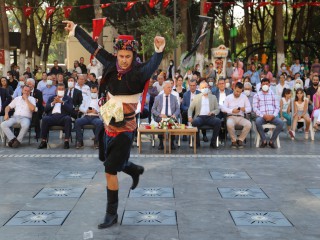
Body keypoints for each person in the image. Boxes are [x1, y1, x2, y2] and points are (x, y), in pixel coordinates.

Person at [63, 20, 165, 229]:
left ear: (133, 56)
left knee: (110, 169)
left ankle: (111, 214)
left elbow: (154, 63)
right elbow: (92, 46)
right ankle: (132, 169)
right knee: (106, 159)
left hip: (125, 129)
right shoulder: (110, 63)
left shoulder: (139, 71)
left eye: (128, 57)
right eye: (121, 56)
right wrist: (75, 30)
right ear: (117, 54)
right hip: (108, 122)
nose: (125, 60)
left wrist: (158, 49)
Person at [38, 84, 74, 149]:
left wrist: (62, 102)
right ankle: (43, 141)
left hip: (63, 116)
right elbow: (45, 109)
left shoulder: (68, 98)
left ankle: (66, 141)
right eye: (59, 89)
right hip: (52, 116)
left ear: (65, 90)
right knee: (45, 119)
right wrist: (53, 103)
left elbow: (71, 110)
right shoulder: (51, 98)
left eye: (62, 89)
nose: (60, 90)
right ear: (56, 90)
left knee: (68, 119)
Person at [188, 81, 221, 148]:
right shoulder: (197, 97)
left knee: (218, 121)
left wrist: (213, 112)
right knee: (195, 122)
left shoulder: (213, 97)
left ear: (208, 87)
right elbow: (190, 108)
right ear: (200, 89)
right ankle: (197, 143)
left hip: (210, 117)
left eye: (206, 87)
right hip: (200, 117)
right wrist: (190, 116)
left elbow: (217, 109)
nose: (204, 89)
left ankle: (213, 142)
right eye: (203, 87)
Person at [253, 78, 283, 148]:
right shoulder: (257, 95)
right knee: (257, 122)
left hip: (272, 116)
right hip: (262, 117)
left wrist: (273, 115)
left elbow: (277, 107)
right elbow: (255, 108)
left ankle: (272, 141)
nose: (265, 85)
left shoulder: (273, 95)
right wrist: (263, 115)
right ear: (261, 85)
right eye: (263, 84)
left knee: (280, 123)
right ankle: (264, 141)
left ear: (269, 85)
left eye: (266, 84)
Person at [221, 82, 252, 148]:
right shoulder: (228, 97)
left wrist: (245, 109)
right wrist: (232, 110)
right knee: (229, 124)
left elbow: (249, 108)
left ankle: (240, 140)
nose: (238, 93)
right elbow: (223, 109)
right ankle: (234, 141)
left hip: (241, 117)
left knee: (249, 124)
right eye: (237, 91)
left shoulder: (244, 97)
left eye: (240, 92)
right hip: (231, 117)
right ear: (234, 88)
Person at [151, 81, 180, 150]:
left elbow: (178, 109)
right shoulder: (158, 98)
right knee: (162, 122)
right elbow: (153, 109)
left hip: (171, 116)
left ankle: (172, 142)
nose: (170, 89)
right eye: (168, 87)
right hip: (161, 116)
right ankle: (161, 142)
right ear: (164, 88)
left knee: (171, 121)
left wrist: (174, 114)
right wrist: (160, 114)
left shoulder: (174, 97)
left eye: (171, 87)